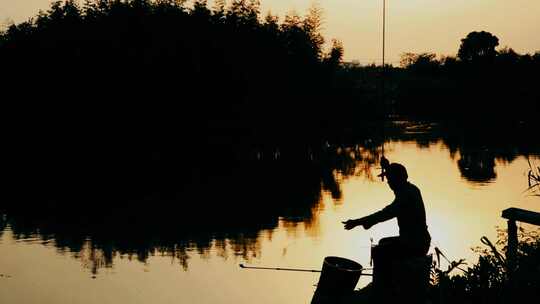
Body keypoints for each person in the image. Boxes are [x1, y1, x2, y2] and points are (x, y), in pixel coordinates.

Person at [342, 157, 430, 258]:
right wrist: (387, 167)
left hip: (415, 244)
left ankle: (385, 274)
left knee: (379, 250)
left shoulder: (405, 196)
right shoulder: (411, 189)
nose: (388, 182)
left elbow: (384, 214)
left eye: (390, 179)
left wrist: (358, 222)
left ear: (397, 179)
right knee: (383, 242)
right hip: (418, 241)